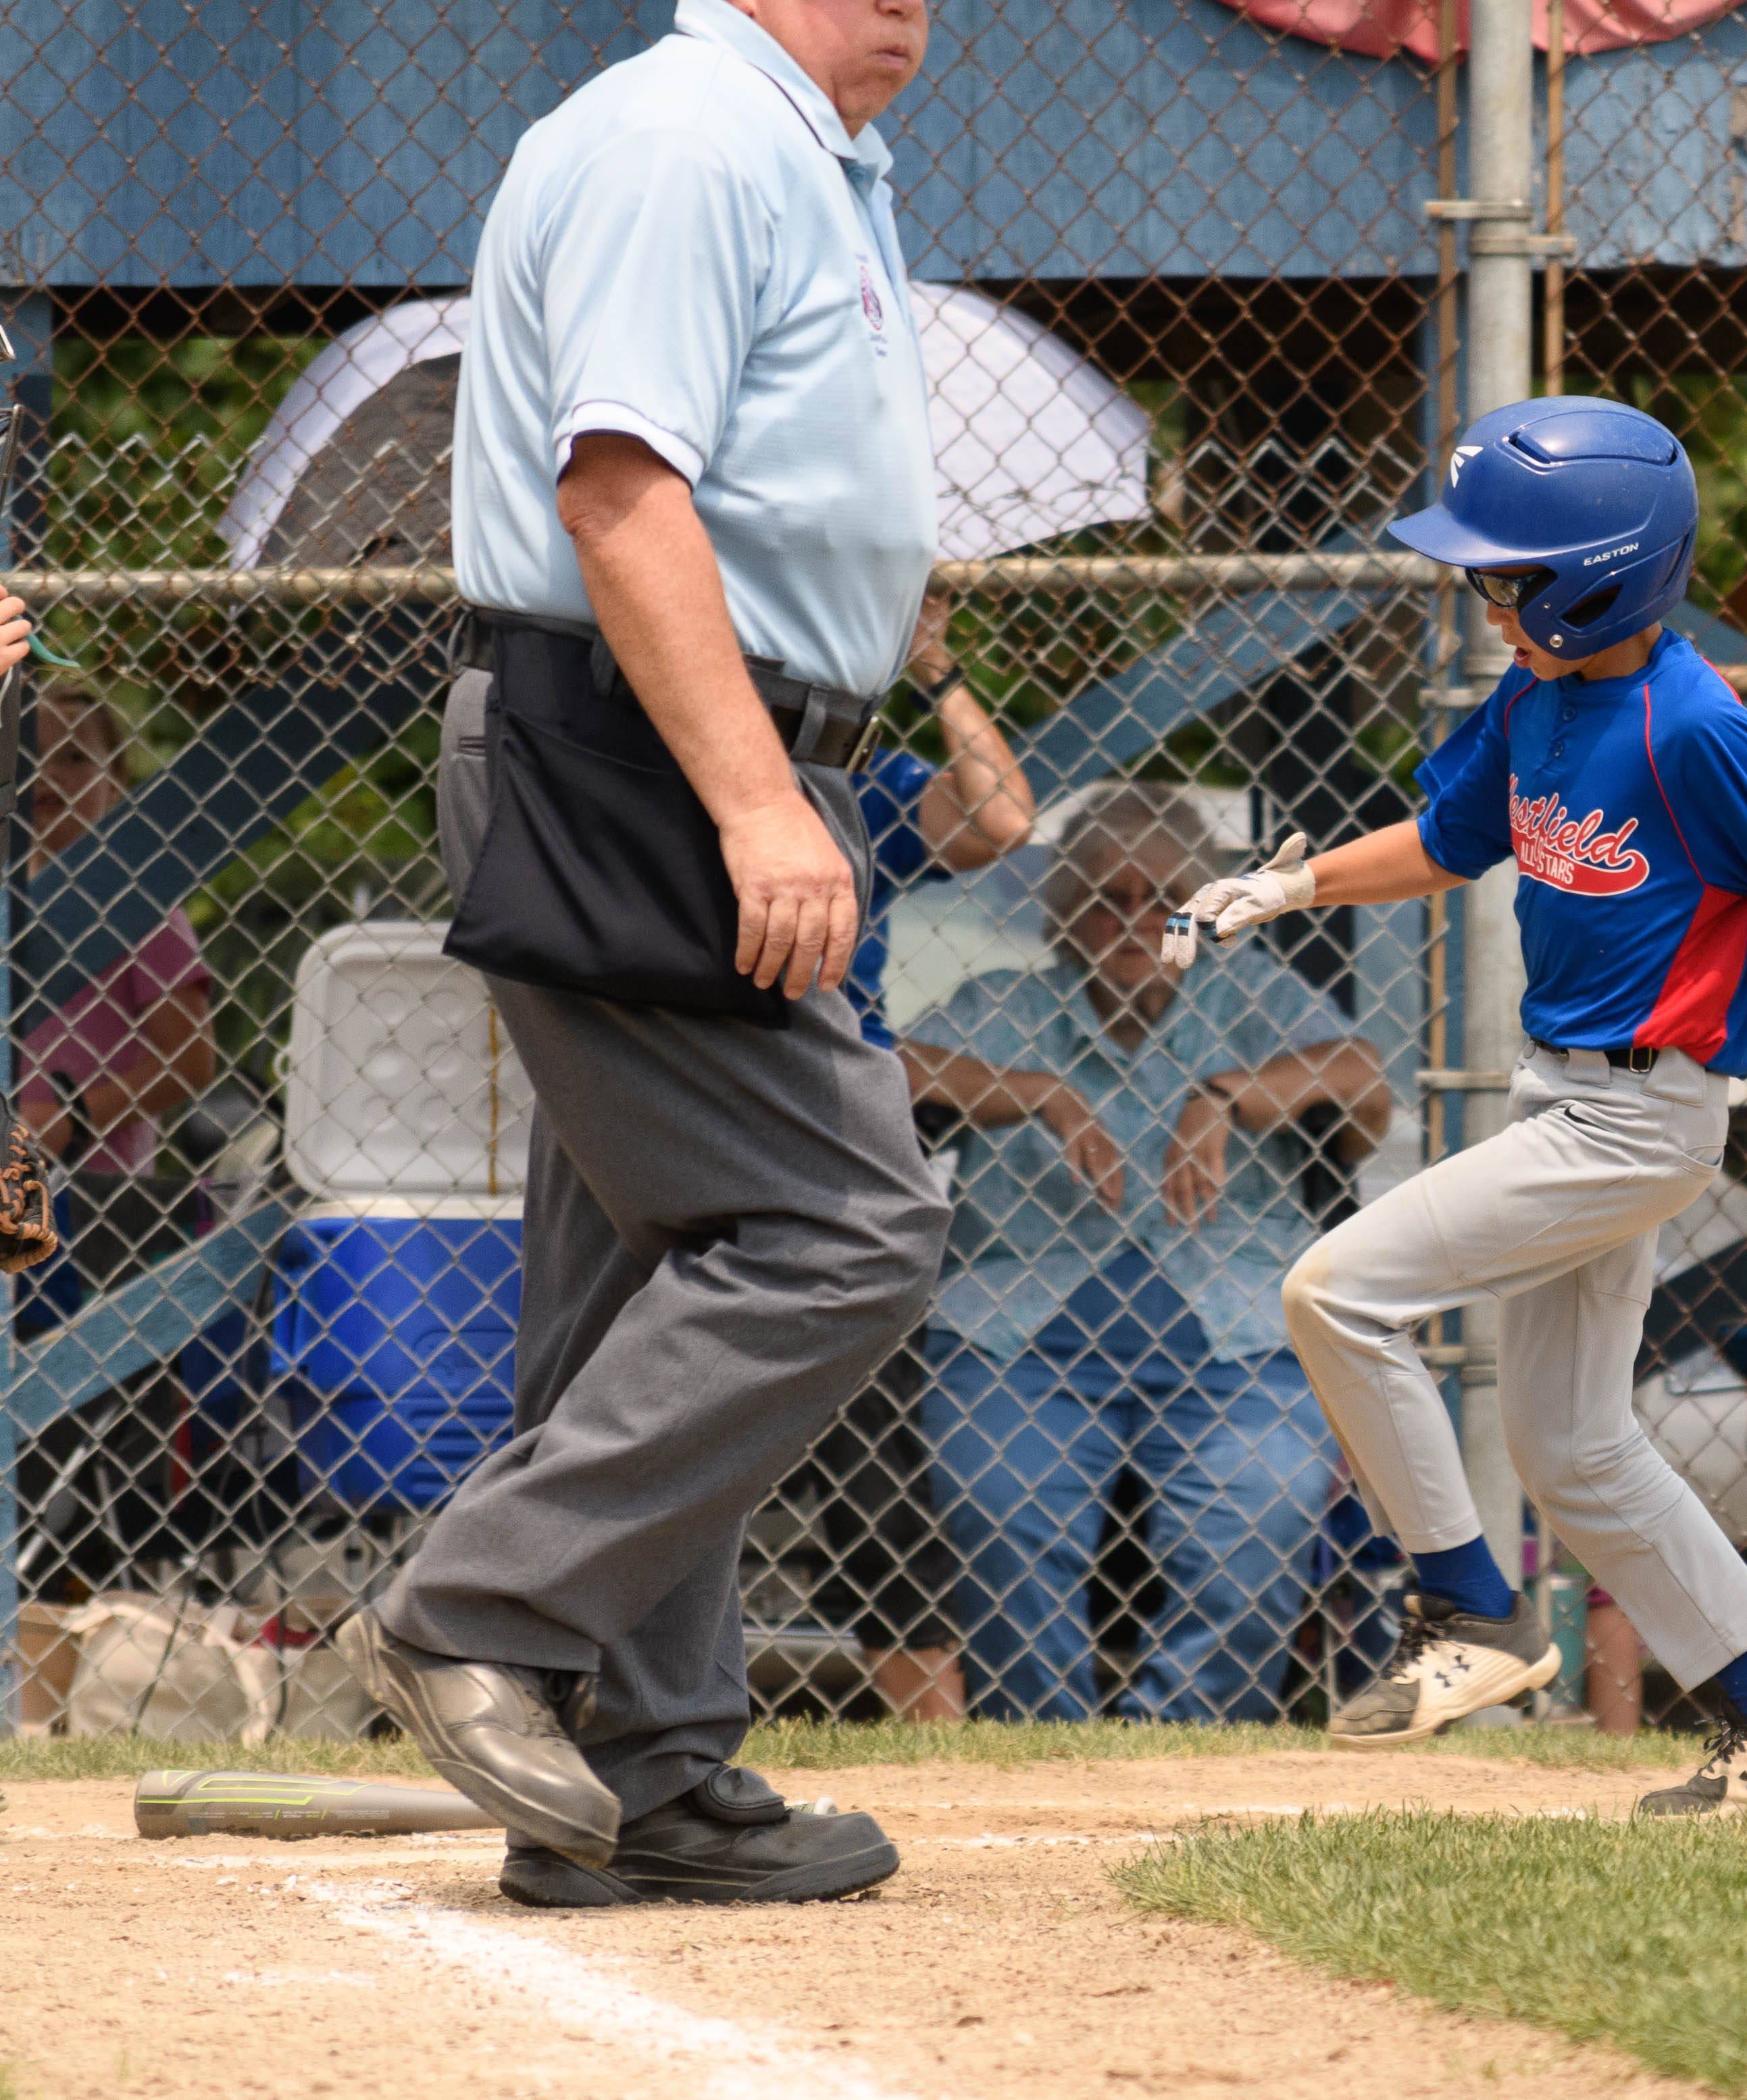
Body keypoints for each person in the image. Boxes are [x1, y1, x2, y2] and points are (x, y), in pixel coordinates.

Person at [342, 0, 953, 1910]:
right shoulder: (690, 135)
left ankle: (639, 1764)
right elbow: (619, 493)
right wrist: (763, 802)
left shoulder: (805, 154)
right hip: (650, 750)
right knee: (843, 1220)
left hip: (688, 741)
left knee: (642, 1277)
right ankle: (478, 1605)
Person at [1166, 394, 1747, 1817]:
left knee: (1334, 1293)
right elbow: (1450, 839)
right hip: (1563, 1097)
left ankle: (1469, 1615)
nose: (1488, 599)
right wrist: (1289, 883)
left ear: (1602, 573)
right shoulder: (1540, 697)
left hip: (1636, 1119)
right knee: (1571, 1445)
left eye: (1510, 576)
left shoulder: (1692, 723)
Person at [905, 781, 1388, 1721]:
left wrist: (1223, 1095)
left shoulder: (1244, 994)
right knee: (1002, 1515)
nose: (1132, 919)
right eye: (1102, 899)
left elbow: (1361, 1078)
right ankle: (1043, 1741)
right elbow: (887, 1071)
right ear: (1064, 914)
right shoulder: (1007, 1002)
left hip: (1238, 1339)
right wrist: (1038, 1092)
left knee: (1258, 1517)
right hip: (1016, 1339)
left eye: (1158, 900)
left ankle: (1183, 1741)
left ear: (1193, 912)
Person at [788, 588, 1034, 1725]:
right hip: (687, 1096)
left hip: (835, 1121)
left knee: (872, 1442)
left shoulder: (853, 793)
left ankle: (931, 1724)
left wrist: (933, 667)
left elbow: (999, 820)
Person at [15, 686, 218, 1245]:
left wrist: (69, 1119)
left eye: (75, 758)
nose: (48, 775)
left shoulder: (141, 905)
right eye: (26, 757)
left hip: (95, 1195)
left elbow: (190, 1059)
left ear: (116, 776)